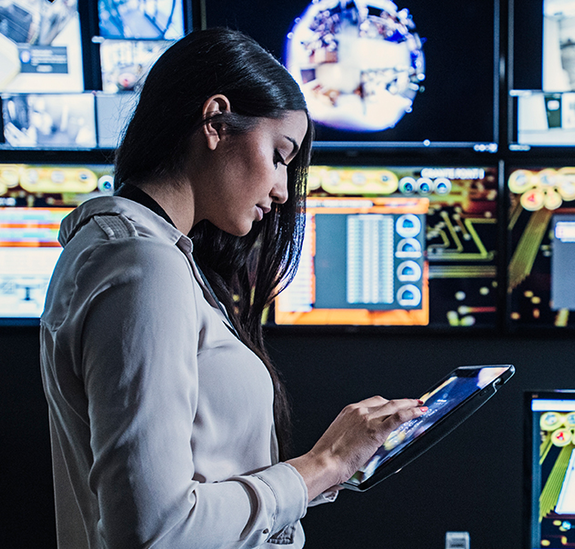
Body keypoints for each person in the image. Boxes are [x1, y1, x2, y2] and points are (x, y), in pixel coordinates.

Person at [38, 27, 426, 548]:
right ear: (216, 121)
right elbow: (155, 532)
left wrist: (334, 466)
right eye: (280, 155)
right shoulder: (141, 264)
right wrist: (323, 463)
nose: (285, 191)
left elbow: (197, 486)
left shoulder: (135, 252)